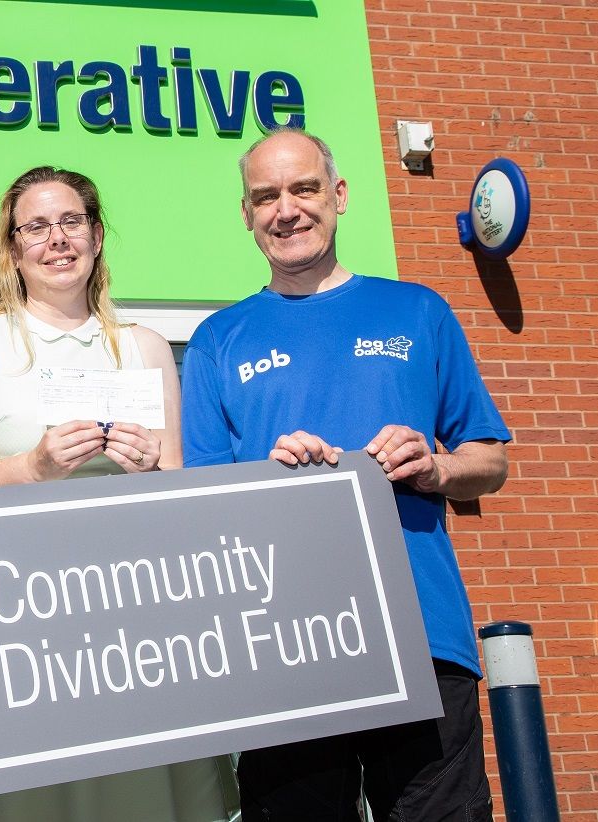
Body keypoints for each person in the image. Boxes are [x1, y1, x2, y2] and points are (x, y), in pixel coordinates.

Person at [180, 128, 510, 821]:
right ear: (246, 214)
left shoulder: (417, 310)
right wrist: (265, 479)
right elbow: (200, 506)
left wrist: (434, 467)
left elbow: (489, 461)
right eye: (265, 196)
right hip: (283, 645)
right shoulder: (216, 341)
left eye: (303, 189)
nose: (286, 210)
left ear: (338, 195)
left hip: (420, 632)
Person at [0, 166, 233, 822]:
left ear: (96, 235)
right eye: (35, 227)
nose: (56, 239)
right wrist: (29, 467)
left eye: (70, 222)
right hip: (14, 617)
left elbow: (179, 491)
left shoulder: (144, 347)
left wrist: (150, 470)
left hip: (130, 621)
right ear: (12, 249)